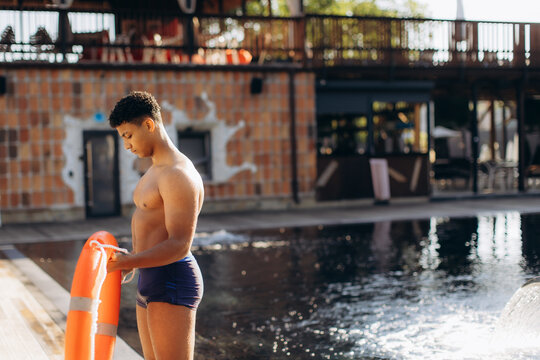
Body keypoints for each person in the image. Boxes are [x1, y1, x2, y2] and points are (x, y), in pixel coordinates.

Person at [107, 91, 204, 360]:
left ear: (149, 125)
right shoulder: (154, 169)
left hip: (172, 278)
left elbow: (179, 245)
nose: (126, 146)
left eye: (128, 135)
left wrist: (133, 261)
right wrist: (134, 262)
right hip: (150, 277)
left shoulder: (177, 174)